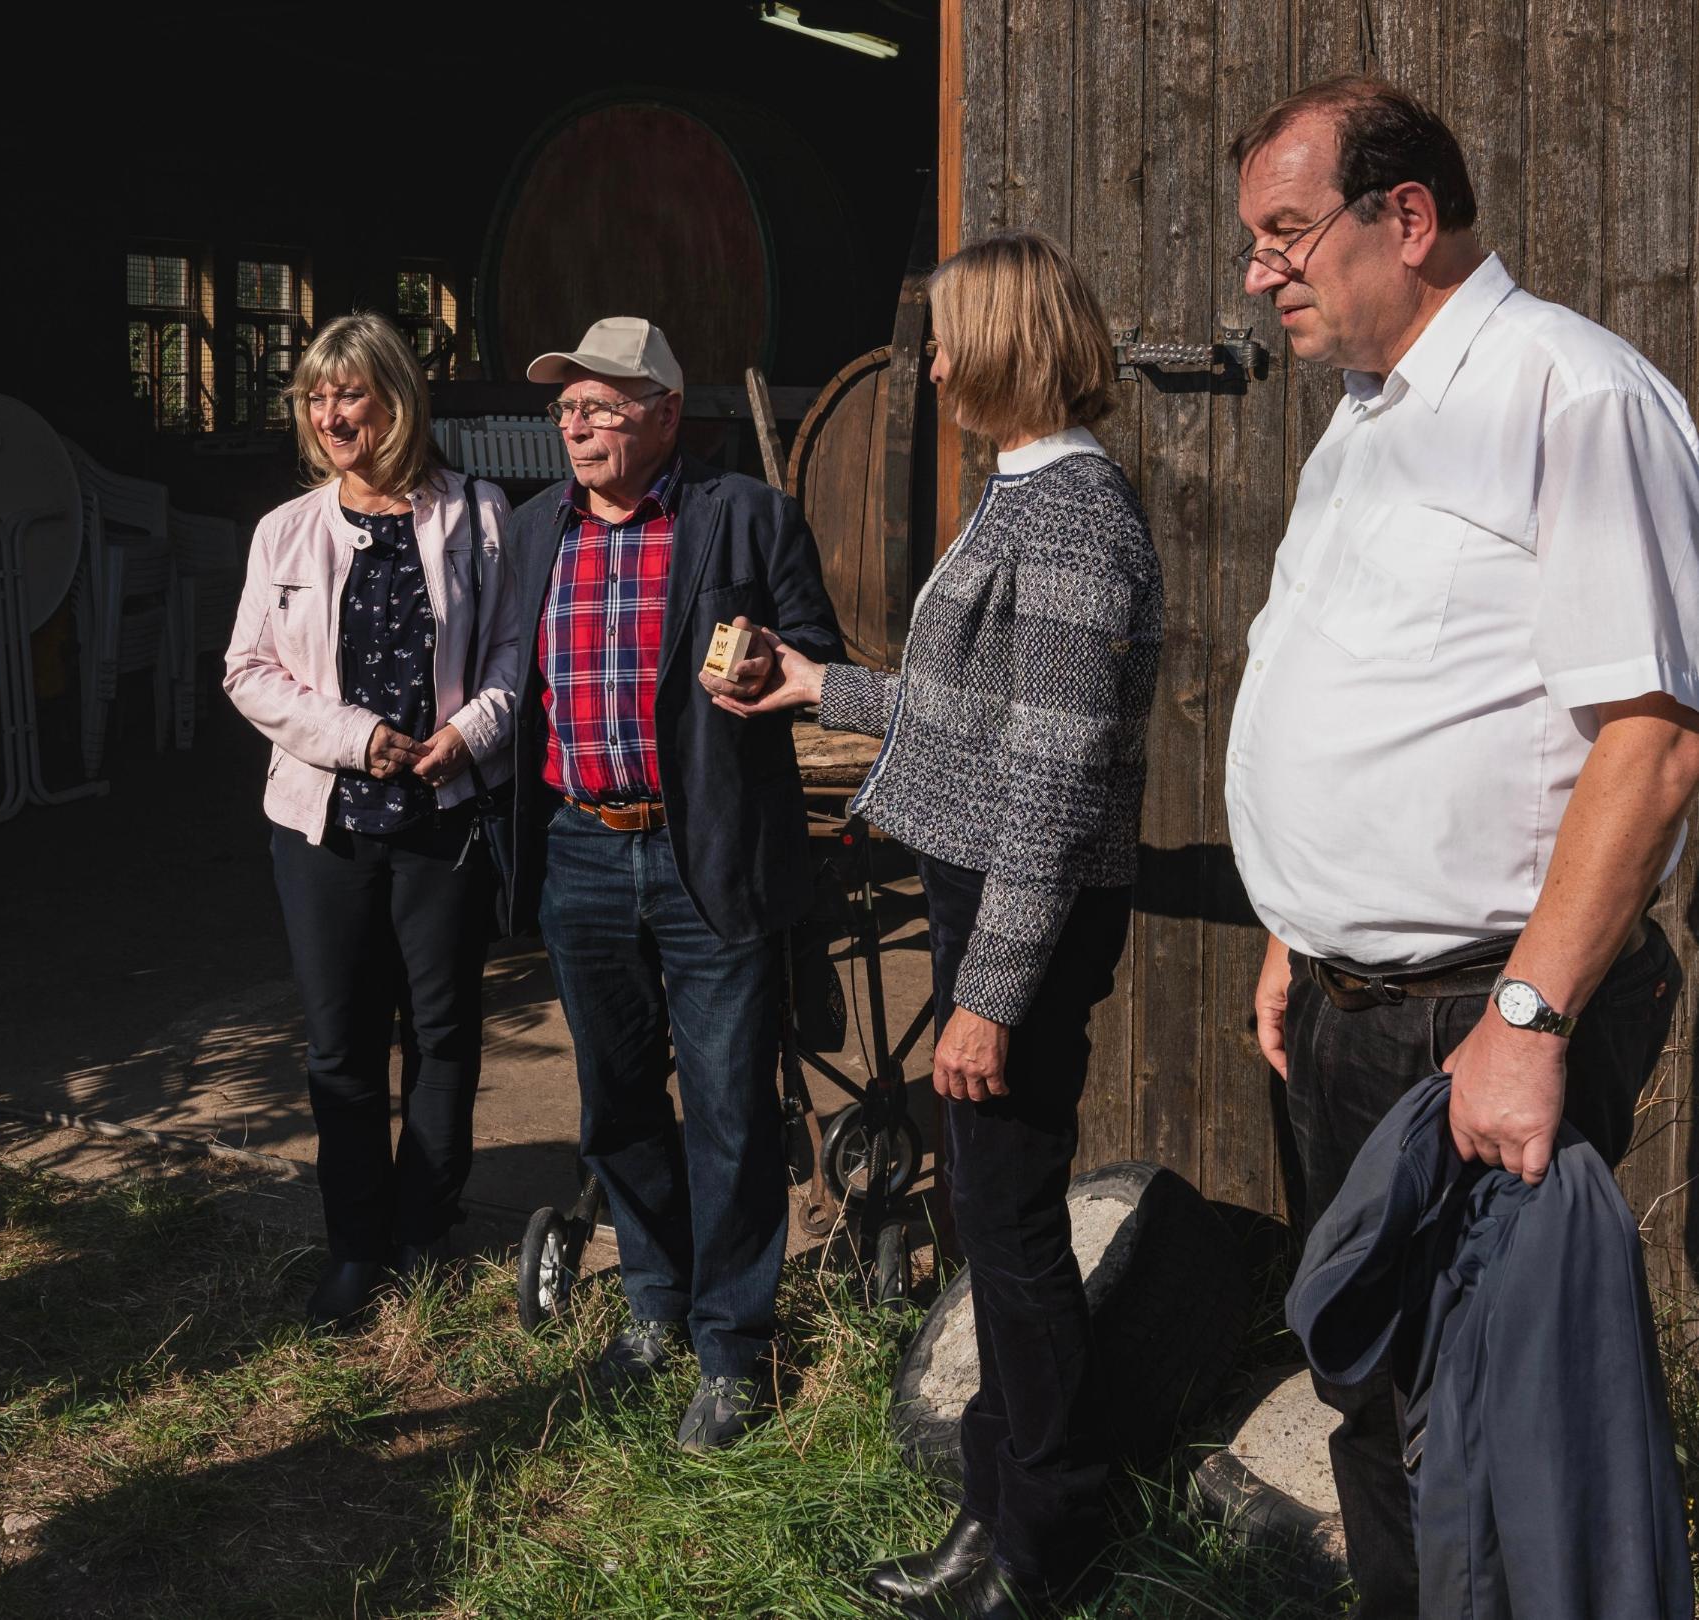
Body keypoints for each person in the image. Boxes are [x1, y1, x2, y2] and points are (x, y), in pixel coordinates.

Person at [1224, 76, 1699, 1617]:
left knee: (1489, 1442)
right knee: (1368, 1394)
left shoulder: (1570, 395)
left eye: (1286, 234)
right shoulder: (1363, 422)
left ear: (1405, 220)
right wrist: (1298, 924)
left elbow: (1653, 738)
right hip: (1347, 1008)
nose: (1258, 271)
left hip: (1475, 1019)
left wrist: (1526, 1019)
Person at [723, 232, 1161, 1616]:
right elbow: (973, 714)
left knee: (1013, 1229)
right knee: (991, 1218)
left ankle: (1047, 1545)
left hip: (1022, 906)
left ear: (1012, 341)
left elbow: (1053, 774)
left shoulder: (1076, 512)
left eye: (949, 336)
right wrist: (819, 687)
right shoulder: (1018, 491)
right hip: (990, 894)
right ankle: (996, 1514)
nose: (932, 362)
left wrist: (987, 993)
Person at [502, 316, 843, 1450]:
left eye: (598, 405)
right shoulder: (528, 532)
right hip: (582, 846)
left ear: (661, 411)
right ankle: (653, 1306)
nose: (575, 425)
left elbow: (817, 657)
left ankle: (732, 1348)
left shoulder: (744, 515)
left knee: (733, 1111)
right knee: (616, 1105)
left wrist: (770, 669)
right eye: (564, 408)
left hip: (708, 850)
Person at [222, 312, 519, 1329]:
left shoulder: (478, 515)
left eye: (349, 393)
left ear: (395, 401)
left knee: (440, 1033)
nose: (330, 413)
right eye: (316, 396)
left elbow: (512, 661)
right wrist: (358, 738)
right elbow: (246, 672)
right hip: (328, 823)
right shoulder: (285, 531)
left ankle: (421, 1229)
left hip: (443, 814)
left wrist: (470, 734)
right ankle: (352, 1247)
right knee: (341, 1043)